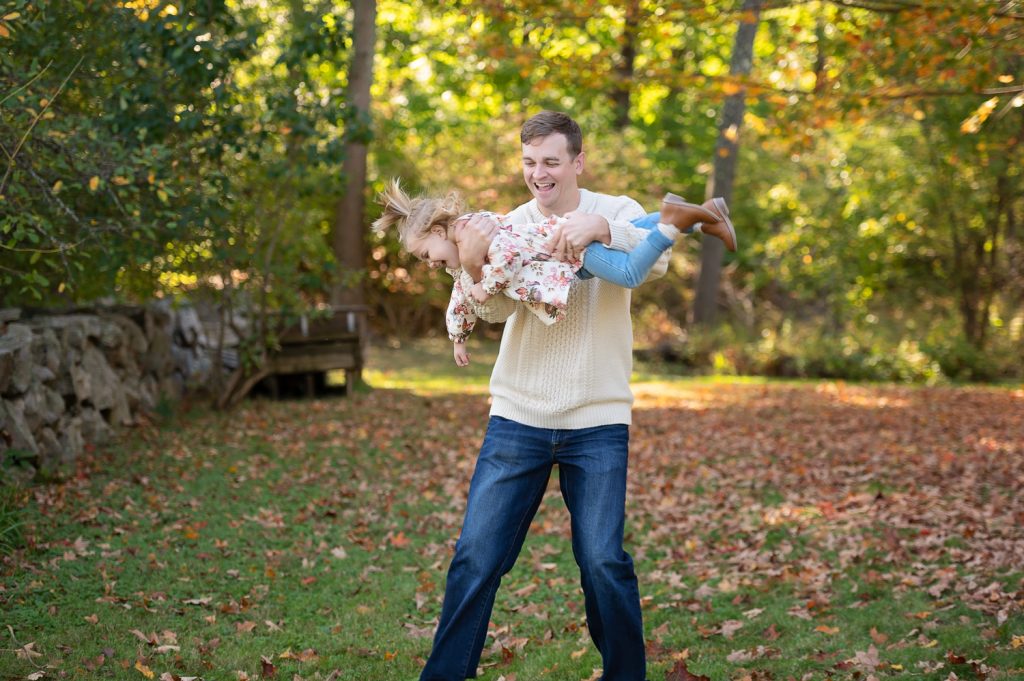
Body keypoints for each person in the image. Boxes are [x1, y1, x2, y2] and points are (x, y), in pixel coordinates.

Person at [417, 110, 706, 681]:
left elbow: (658, 257)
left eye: (551, 161)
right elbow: (496, 306)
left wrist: (600, 229)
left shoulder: (616, 207)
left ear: (577, 161)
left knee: (602, 560)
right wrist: (470, 265)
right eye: (529, 162)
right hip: (518, 417)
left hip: (597, 419)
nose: (539, 174)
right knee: (476, 557)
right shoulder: (508, 222)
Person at [373, 180, 735, 366]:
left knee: (628, 274)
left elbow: (508, 259)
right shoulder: (464, 249)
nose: (429, 264)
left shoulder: (474, 232)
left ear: (438, 232)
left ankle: (672, 225)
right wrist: (458, 336)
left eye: (425, 255)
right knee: (636, 229)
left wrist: (485, 282)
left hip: (572, 253)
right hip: (567, 257)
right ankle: (703, 217)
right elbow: (462, 296)